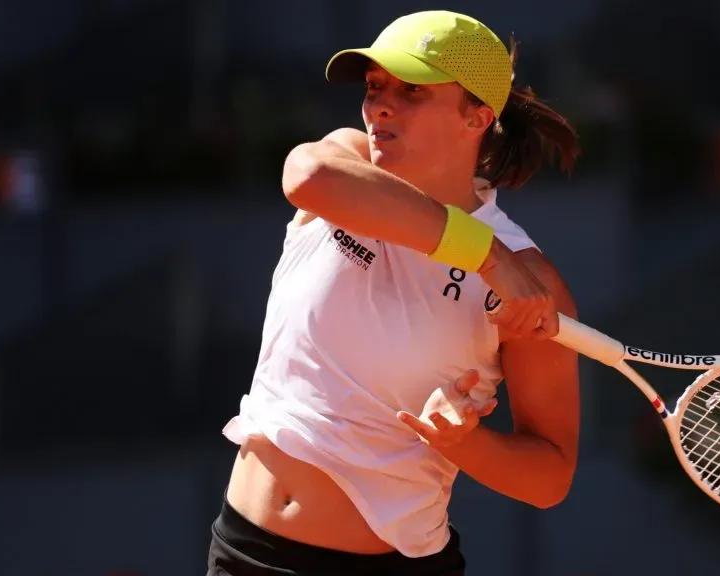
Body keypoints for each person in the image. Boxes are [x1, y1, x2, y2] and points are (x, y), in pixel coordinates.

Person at [206, 10, 582, 576]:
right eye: (375, 87)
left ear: (478, 115)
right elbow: (305, 177)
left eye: (411, 91)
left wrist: (465, 444)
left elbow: (550, 476)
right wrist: (484, 255)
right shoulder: (345, 162)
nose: (380, 105)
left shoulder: (533, 283)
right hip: (244, 553)